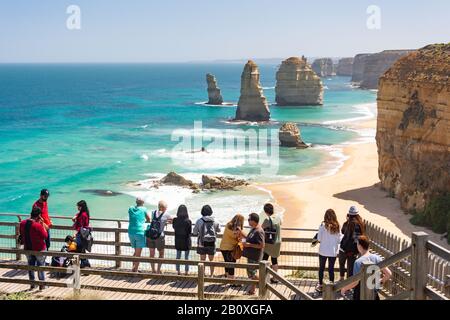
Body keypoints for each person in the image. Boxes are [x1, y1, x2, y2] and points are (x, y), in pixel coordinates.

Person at [340, 235, 392, 300]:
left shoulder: (358, 262)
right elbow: (389, 274)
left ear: (359, 246)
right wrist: (381, 281)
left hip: (361, 292)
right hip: (373, 292)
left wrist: (344, 288)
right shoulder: (377, 258)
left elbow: (355, 282)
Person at [19, 207, 48, 290]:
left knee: (30, 266)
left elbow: (21, 233)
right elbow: (45, 236)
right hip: (39, 249)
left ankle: (32, 284)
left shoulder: (22, 223)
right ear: (39, 215)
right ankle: (41, 285)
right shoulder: (38, 225)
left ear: (31, 214)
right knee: (40, 266)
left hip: (27, 248)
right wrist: (42, 224)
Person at [316, 209, 342, 292]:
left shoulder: (322, 226)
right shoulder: (337, 226)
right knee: (331, 269)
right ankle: (331, 286)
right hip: (332, 251)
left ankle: (320, 285)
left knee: (321, 268)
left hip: (323, 251)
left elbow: (319, 239)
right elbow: (339, 240)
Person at [240, 213, 265, 295]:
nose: (248, 221)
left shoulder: (259, 231)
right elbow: (248, 238)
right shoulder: (253, 229)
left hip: (255, 256)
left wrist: (249, 245)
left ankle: (263, 283)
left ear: (254, 221)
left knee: (252, 273)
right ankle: (253, 290)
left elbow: (262, 245)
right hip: (251, 256)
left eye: (249, 220)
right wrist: (241, 233)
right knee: (251, 273)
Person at [339, 206, 366, 280]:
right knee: (350, 269)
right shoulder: (361, 224)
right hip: (353, 250)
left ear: (349, 214)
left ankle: (343, 283)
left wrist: (346, 221)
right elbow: (358, 238)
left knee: (342, 265)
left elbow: (343, 232)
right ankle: (348, 286)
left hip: (345, 248)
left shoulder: (349, 223)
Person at [193, 205, 221, 276]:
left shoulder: (199, 221)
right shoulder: (215, 221)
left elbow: (195, 232)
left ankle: (202, 275)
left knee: (202, 260)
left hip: (201, 243)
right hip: (212, 243)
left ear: (202, 212)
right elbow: (219, 230)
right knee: (211, 260)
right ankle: (211, 275)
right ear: (211, 212)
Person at [146, 200, 173, 274]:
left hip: (150, 235)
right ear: (164, 208)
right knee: (161, 254)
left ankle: (153, 270)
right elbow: (173, 220)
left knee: (152, 254)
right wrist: (167, 222)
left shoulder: (153, 212)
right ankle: (158, 270)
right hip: (159, 236)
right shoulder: (166, 214)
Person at [219, 214, 245, 282]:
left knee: (227, 262)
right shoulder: (233, 228)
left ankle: (227, 277)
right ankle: (231, 281)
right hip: (229, 248)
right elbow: (237, 237)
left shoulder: (228, 225)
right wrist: (240, 232)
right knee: (231, 264)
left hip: (223, 247)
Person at [261, 203, 282, 284]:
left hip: (269, 242)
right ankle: (275, 278)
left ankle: (264, 277)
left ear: (265, 211)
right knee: (274, 259)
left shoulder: (267, 219)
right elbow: (280, 224)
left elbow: (261, 228)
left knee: (264, 259)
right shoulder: (278, 217)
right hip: (277, 241)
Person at [128, 197, 149, 272]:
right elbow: (149, 219)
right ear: (143, 203)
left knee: (136, 251)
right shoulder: (144, 209)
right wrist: (143, 221)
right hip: (140, 232)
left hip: (131, 232)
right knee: (138, 253)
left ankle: (133, 267)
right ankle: (135, 270)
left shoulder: (130, 208)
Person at [172, 205, 192, 275]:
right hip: (186, 240)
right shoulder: (188, 221)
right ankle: (186, 272)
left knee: (178, 256)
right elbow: (189, 232)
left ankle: (178, 271)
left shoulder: (175, 220)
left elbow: (174, 228)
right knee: (186, 257)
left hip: (178, 240)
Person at [72, 200, 92, 268]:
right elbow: (78, 215)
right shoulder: (84, 213)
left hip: (81, 234)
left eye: (79, 206)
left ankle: (86, 264)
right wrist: (75, 216)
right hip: (83, 234)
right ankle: (84, 264)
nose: (77, 208)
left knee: (80, 250)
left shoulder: (83, 214)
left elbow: (81, 225)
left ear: (82, 207)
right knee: (81, 249)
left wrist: (76, 233)